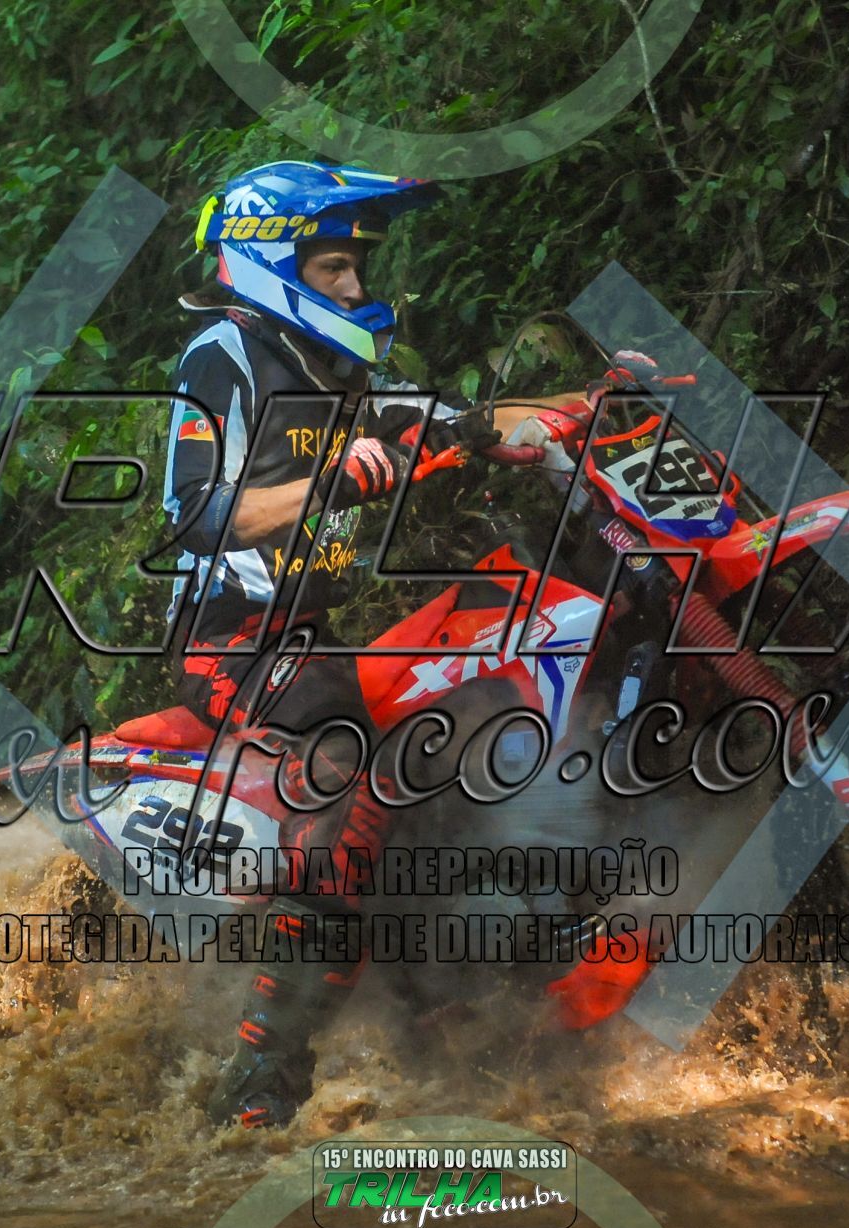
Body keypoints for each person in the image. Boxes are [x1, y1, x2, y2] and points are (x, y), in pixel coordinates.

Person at [159, 160, 562, 1129]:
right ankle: (262, 1074)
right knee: (347, 776)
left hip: (311, 635)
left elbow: (463, 422)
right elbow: (198, 514)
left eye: (355, 268)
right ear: (274, 263)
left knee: (455, 745)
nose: (354, 287)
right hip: (229, 635)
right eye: (334, 267)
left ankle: (438, 1010)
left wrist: (584, 412)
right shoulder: (224, 355)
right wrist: (330, 482)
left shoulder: (343, 371)